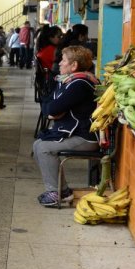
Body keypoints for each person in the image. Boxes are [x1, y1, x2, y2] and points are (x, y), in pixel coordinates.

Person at [35, 46, 100, 207]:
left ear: (74, 65)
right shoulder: (67, 81)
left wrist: (52, 111)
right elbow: (47, 102)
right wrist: (51, 111)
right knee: (38, 144)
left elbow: (52, 108)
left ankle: (55, 192)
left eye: (64, 60)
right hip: (74, 133)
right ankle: (63, 191)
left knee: (43, 148)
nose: (59, 63)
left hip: (86, 138)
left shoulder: (80, 84)